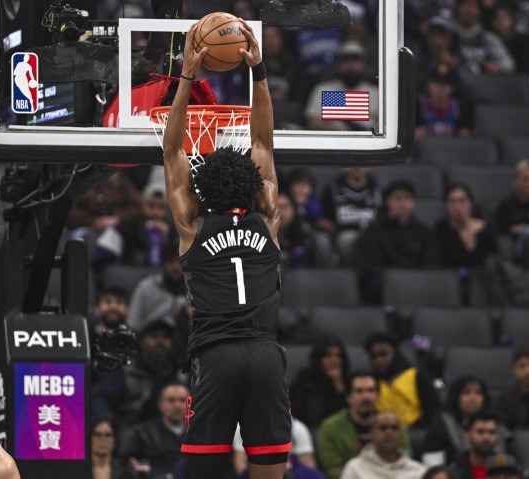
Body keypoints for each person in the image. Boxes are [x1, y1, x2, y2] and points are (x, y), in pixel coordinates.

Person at [161, 20, 290, 479]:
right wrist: (258, 72)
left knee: (205, 468)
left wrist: (187, 75)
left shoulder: (192, 224)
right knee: (269, 465)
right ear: (253, 185)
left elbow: (172, 151)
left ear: (202, 189)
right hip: (264, 353)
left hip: (216, 356)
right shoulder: (267, 215)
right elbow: (262, 140)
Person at [353, 180, 438, 303]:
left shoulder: (424, 233)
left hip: (417, 285)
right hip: (383, 288)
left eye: (407, 198)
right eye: (397, 198)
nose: (402, 204)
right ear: (388, 201)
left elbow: (431, 264)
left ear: (413, 202)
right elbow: (368, 267)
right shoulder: (374, 231)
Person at [317, 371, 413, 479]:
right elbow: (332, 469)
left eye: (371, 390)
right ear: (348, 397)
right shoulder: (331, 427)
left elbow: (406, 459)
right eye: (359, 391)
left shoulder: (393, 424)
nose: (366, 397)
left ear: (378, 396)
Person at [422, 375, 509, 465]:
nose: (473, 398)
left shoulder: (496, 423)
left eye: (478, 393)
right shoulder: (443, 424)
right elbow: (433, 465)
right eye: (466, 393)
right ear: (456, 397)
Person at [363, 332, 440, 427]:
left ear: (395, 353)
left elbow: (433, 410)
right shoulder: (370, 382)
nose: (379, 360)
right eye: (374, 356)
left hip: (418, 430)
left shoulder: (416, 376)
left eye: (384, 354)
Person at [304, 41, 379, 132]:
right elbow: (314, 123)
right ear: (338, 64)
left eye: (355, 59)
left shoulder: (376, 93)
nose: (351, 65)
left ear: (364, 63)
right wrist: (349, 132)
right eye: (346, 59)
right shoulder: (324, 89)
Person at [119, 382, 188, 479]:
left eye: (182, 400)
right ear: (160, 404)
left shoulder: (198, 435)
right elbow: (126, 465)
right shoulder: (142, 434)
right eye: (171, 400)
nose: (177, 405)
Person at [320, 167, 382, 265]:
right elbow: (323, 219)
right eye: (353, 162)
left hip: (371, 235)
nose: (357, 167)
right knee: (347, 239)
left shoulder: (378, 191)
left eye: (362, 162)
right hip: (342, 237)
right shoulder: (332, 190)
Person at [339, 411, 427, 479]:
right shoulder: (355, 468)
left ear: (401, 433)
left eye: (394, 428)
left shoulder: (419, 471)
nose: (389, 432)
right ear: (371, 433)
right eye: (383, 428)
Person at [290, 336, 351, 431]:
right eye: (328, 355)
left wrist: (339, 386)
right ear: (318, 359)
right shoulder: (304, 382)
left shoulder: (350, 382)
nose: (334, 359)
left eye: (338, 356)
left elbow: (351, 415)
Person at [125, 240, 187, 332]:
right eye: (171, 261)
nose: (176, 267)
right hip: (148, 337)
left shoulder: (197, 291)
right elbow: (133, 325)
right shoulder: (146, 287)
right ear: (163, 263)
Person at [435, 183, 497, 269]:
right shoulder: (441, 230)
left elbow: (495, 261)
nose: (457, 206)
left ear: (470, 203)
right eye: (453, 201)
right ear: (446, 206)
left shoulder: (486, 231)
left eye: (462, 201)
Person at [233, 416, 319, 476]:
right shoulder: (243, 428)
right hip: (257, 466)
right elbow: (240, 464)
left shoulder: (298, 428)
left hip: (292, 469)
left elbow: (308, 462)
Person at [452, 0, 515, 79]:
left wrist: (497, 67)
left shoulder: (487, 37)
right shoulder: (448, 35)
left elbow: (509, 64)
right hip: (454, 81)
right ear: (458, 8)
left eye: (474, 7)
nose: (470, 10)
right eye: (466, 6)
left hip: (483, 82)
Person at [415, 62, 472, 141]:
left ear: (451, 88)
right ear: (429, 86)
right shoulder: (420, 106)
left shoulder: (458, 107)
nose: (441, 88)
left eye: (445, 84)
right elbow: (415, 137)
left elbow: (465, 137)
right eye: (437, 83)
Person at [449, 410, 501, 479]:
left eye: (491, 432)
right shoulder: (454, 472)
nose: (486, 437)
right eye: (480, 432)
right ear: (468, 435)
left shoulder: (506, 469)